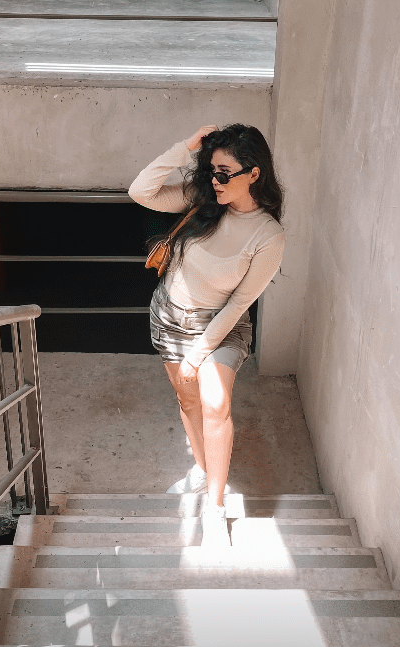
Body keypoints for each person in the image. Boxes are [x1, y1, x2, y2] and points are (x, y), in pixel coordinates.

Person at [129, 124, 286, 529]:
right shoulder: (202, 201)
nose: (214, 181)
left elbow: (238, 305)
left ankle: (214, 508)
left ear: (254, 174)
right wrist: (187, 146)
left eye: (224, 172)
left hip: (220, 327)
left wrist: (197, 356)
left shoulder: (268, 237)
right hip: (169, 319)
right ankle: (201, 468)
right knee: (189, 403)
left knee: (215, 404)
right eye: (211, 170)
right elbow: (140, 191)